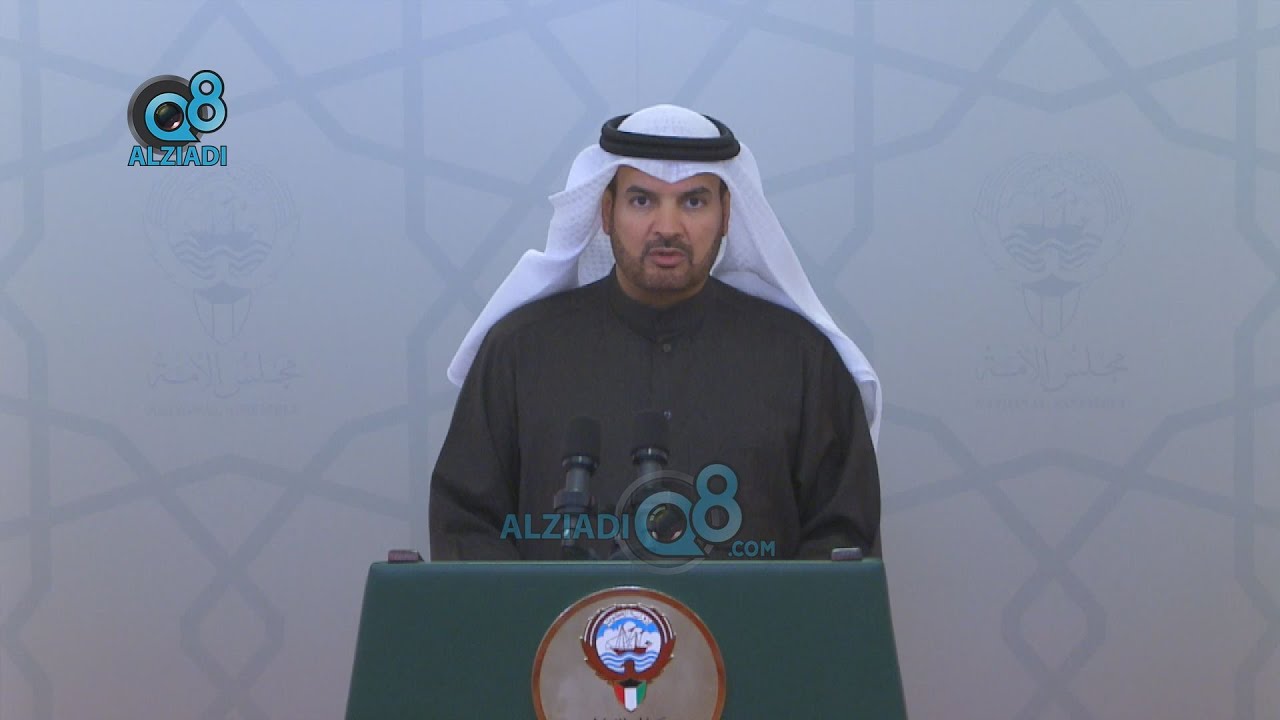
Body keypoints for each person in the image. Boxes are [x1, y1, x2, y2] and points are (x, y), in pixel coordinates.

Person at [429, 104, 882, 561]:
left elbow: (842, 539)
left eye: (693, 202)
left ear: (727, 214)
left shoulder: (801, 361)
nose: (667, 229)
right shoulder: (519, 352)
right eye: (642, 201)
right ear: (607, 212)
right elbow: (467, 527)